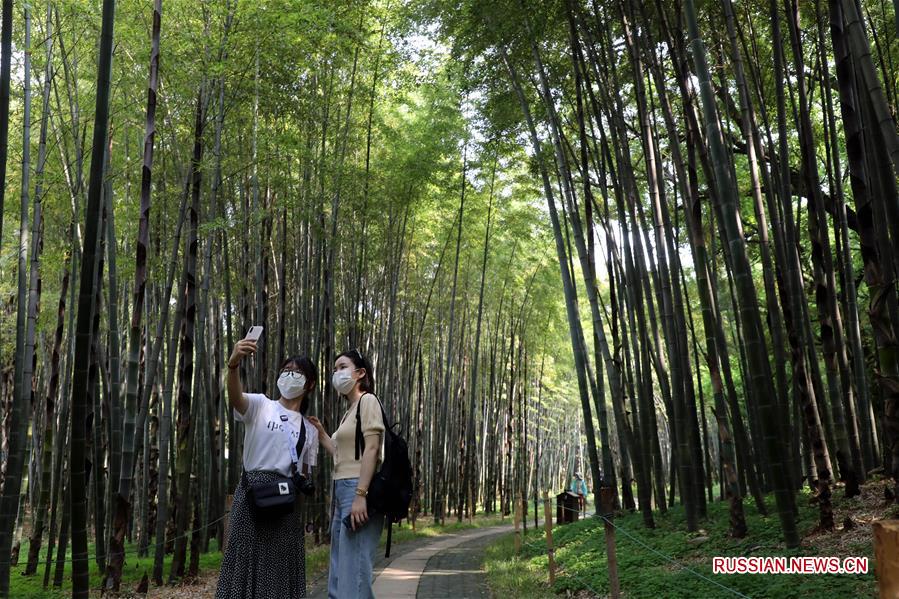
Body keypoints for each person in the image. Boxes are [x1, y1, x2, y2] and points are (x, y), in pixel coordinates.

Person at [215, 337, 319, 599]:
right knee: (243, 562)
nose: (289, 376)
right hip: (251, 495)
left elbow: (305, 474)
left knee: (278, 570)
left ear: (310, 384)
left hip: (285, 503)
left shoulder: (309, 429)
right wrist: (233, 365)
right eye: (286, 370)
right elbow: (236, 398)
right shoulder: (262, 405)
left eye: (297, 373)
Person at [308, 349, 385, 599]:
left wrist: (361, 494)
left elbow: (372, 448)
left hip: (358, 487)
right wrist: (321, 433)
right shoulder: (349, 411)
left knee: (356, 569)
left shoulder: (368, 401)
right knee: (340, 566)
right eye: (334, 369)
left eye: (342, 367)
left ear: (360, 373)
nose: (336, 373)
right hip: (342, 489)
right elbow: (341, 454)